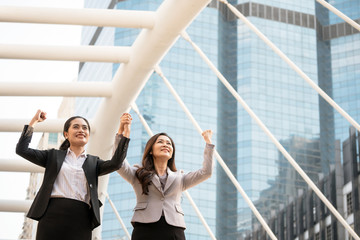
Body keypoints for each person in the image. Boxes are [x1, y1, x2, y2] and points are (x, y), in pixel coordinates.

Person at [15, 110, 131, 240]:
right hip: (51, 215)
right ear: (66, 134)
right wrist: (34, 122)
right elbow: (22, 150)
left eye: (85, 127)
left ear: (88, 134)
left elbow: (116, 163)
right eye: (76, 127)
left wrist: (123, 132)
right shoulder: (53, 156)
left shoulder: (94, 162)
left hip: (81, 218)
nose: (81, 130)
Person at [114, 115, 214, 240]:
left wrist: (208, 144)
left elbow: (206, 172)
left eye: (169, 143)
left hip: (174, 229)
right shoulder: (138, 173)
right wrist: (122, 133)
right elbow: (118, 164)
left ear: (172, 152)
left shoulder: (180, 177)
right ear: (150, 150)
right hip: (145, 228)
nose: (165, 145)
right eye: (160, 142)